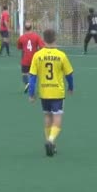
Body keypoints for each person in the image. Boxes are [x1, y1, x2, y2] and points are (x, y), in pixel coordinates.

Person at [28, 29, 74, 157]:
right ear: (55, 39)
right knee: (57, 118)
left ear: (43, 39)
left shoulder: (37, 55)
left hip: (44, 92)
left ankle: (50, 143)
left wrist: (31, 94)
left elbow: (32, 77)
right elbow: (69, 74)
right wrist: (71, 87)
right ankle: (51, 140)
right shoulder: (61, 55)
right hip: (57, 92)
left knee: (48, 117)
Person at [17, 23, 44, 93]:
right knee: (33, 74)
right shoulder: (36, 36)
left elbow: (19, 47)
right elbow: (42, 47)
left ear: (25, 28)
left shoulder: (21, 37)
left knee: (24, 74)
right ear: (31, 28)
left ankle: (27, 84)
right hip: (34, 59)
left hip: (25, 59)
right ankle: (31, 84)